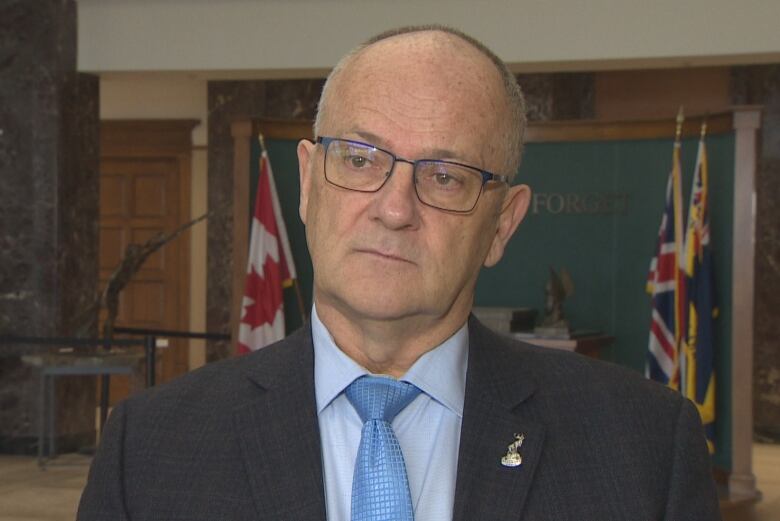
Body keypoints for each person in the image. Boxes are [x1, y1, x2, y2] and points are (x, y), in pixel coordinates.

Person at [78, 25, 721, 521]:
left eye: (445, 175)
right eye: (359, 159)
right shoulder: (150, 450)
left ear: (502, 225)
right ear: (307, 184)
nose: (393, 208)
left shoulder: (644, 449)